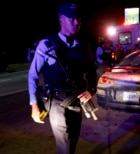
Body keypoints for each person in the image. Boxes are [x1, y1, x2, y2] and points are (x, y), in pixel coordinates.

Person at [28, 2, 97, 154]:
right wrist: (34, 105)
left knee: (72, 142)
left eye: (78, 18)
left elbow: (92, 70)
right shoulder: (47, 44)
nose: (76, 22)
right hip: (57, 103)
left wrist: (91, 89)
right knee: (64, 147)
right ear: (61, 19)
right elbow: (33, 75)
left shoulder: (83, 44)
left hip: (77, 101)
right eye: (71, 18)